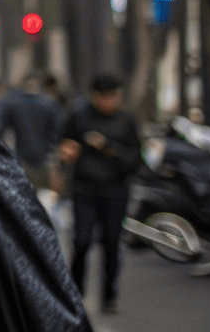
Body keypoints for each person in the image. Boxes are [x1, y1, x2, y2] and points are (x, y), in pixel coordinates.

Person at [59, 72, 140, 314]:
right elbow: (64, 144)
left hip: (115, 190)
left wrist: (108, 148)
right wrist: (67, 153)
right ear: (93, 97)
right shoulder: (78, 117)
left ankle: (109, 296)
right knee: (81, 242)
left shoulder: (126, 121)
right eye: (102, 98)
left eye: (111, 97)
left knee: (111, 245)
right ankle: (75, 294)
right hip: (84, 188)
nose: (107, 102)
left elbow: (135, 159)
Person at [0, 72, 65, 190]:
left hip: (21, 160)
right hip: (46, 160)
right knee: (48, 200)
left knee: (24, 199)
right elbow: (60, 133)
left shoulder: (11, 102)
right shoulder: (49, 103)